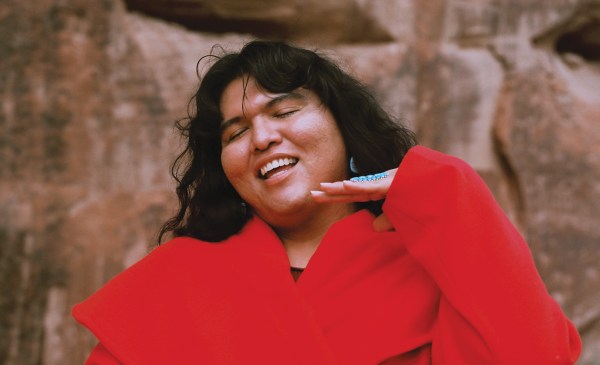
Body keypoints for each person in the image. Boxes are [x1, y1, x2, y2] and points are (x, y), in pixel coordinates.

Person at [72, 40, 582, 364]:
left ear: (343, 125)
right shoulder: (173, 282)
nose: (263, 137)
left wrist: (448, 189)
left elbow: (534, 354)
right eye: (236, 132)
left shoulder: (428, 266)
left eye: (285, 110)